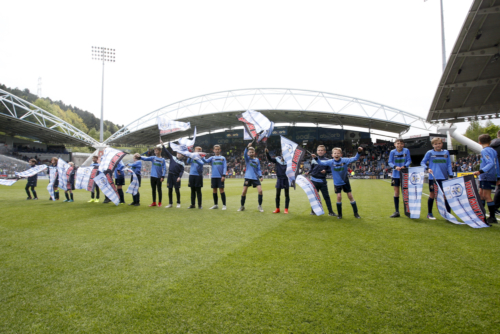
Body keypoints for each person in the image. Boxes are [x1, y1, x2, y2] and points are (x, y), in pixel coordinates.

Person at [312, 147, 363, 219]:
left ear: (341, 154)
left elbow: (355, 158)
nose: (336, 154)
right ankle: (340, 215)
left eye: (338, 153)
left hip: (345, 182)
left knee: (350, 196)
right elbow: (321, 163)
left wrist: (359, 152)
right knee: (339, 197)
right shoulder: (330, 162)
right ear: (332, 155)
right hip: (337, 183)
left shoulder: (345, 160)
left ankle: (356, 213)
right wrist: (316, 158)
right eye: (335, 153)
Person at [421, 137, 453, 220]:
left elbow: (449, 164)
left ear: (442, 144)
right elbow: (422, 162)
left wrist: (451, 174)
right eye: (435, 144)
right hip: (433, 178)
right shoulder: (430, 152)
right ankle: (429, 213)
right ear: (433, 145)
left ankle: (448, 214)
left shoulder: (446, 152)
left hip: (444, 177)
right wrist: (427, 168)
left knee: (446, 195)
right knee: (432, 194)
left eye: (439, 143)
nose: (438, 145)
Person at [473, 134, 500, 225]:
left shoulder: (485, 151)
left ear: (479, 142)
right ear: (490, 141)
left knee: (486, 195)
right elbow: (497, 164)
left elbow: (491, 163)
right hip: (489, 175)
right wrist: (498, 176)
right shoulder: (493, 150)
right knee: (481, 194)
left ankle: (492, 217)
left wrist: (480, 171)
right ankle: (481, 215)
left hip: (486, 175)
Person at [305, 145, 336, 216]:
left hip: (322, 181)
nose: (320, 151)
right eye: (319, 150)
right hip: (313, 181)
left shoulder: (328, 160)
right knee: (314, 197)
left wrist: (326, 171)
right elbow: (312, 168)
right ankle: (313, 211)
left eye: (322, 150)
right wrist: (308, 172)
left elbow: (330, 170)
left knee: (326, 197)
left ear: (325, 152)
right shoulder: (313, 159)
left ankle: (330, 212)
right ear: (317, 151)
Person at [387, 139, 412, 218]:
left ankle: (408, 211)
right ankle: (397, 211)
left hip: (404, 174)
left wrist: (404, 166)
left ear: (403, 144)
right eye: (398, 143)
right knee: (396, 192)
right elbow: (390, 162)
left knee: (405, 192)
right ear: (395, 144)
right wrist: (395, 167)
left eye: (401, 143)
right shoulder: (392, 152)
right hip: (395, 175)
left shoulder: (406, 150)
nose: (399, 145)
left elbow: (409, 160)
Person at [238, 142, 264, 212]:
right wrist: (247, 147)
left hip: (255, 178)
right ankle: (242, 206)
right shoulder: (247, 159)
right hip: (248, 177)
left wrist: (261, 176)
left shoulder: (257, 160)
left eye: (252, 152)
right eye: (250, 152)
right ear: (248, 153)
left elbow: (258, 169)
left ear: (254, 152)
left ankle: (259, 206)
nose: (251, 153)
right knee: (243, 192)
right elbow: (244, 154)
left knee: (260, 191)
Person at [203, 145, 227, 210]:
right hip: (213, 176)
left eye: (218, 149)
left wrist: (224, 175)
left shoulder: (223, 158)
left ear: (220, 150)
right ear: (213, 150)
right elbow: (205, 161)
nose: (217, 150)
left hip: (220, 176)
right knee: (214, 190)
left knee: (221, 190)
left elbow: (225, 167)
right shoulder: (212, 158)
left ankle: (224, 205)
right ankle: (215, 205)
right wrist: (202, 156)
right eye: (216, 149)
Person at [265, 148, 289, 214]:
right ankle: (277, 208)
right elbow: (270, 159)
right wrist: (267, 153)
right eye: (283, 152)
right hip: (279, 179)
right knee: (277, 194)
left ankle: (286, 209)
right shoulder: (277, 158)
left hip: (286, 179)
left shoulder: (289, 160)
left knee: (286, 194)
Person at [161, 143, 185, 208]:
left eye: (180, 153)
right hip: (170, 176)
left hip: (176, 177)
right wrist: (163, 145)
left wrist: (179, 177)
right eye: (177, 153)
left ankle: (178, 203)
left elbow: (182, 171)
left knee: (177, 190)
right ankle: (170, 203)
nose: (178, 154)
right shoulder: (172, 157)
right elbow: (166, 151)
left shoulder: (182, 163)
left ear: (182, 155)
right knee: (170, 189)